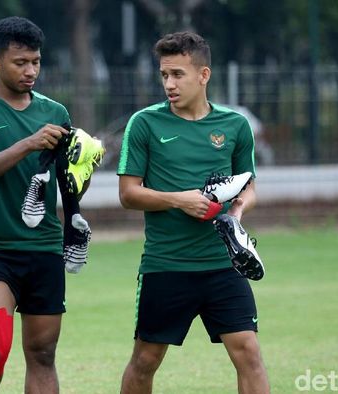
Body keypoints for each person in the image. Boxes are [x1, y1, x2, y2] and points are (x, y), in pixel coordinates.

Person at [117, 31, 270, 394]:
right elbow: (128, 194)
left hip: (222, 264)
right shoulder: (144, 124)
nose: (169, 84)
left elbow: (248, 186)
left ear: (203, 76)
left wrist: (237, 214)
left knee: (248, 352)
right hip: (166, 264)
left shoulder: (234, 126)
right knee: (145, 360)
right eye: (164, 75)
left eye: (178, 75)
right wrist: (179, 199)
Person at [0, 16, 100, 394]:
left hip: (44, 249)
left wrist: (84, 171)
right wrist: (27, 144)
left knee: (43, 354)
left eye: (36, 61)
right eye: (20, 62)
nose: (31, 70)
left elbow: (69, 183)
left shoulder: (55, 112)